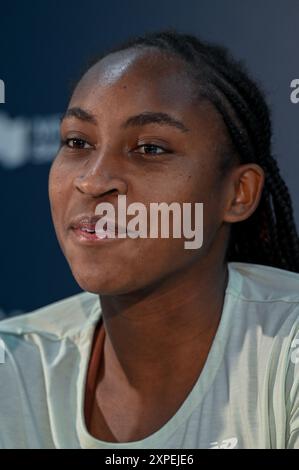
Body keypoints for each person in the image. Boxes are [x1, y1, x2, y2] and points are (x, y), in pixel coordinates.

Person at [0, 29, 298, 449]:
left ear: (238, 193)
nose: (92, 180)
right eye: (77, 142)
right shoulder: (12, 364)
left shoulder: (288, 352)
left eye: (150, 149)